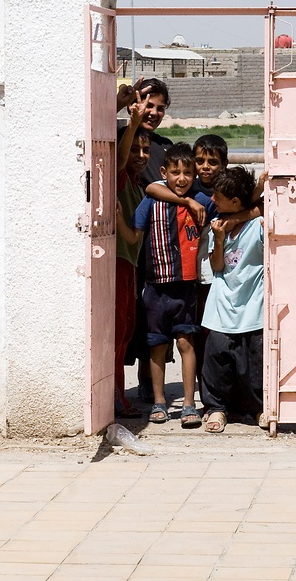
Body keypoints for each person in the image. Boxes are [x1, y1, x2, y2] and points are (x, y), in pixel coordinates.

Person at [117, 143, 212, 428]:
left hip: (186, 287)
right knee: (157, 347)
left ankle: (188, 405)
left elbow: (226, 213)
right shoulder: (152, 202)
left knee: (186, 342)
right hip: (156, 288)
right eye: (175, 172)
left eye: (187, 173)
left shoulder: (202, 201)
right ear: (164, 173)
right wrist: (119, 219)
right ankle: (159, 403)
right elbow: (134, 237)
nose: (181, 178)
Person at [116, 77, 174, 401]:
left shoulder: (162, 146)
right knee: (126, 319)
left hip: (154, 248)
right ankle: (119, 391)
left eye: (159, 108)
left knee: (151, 315)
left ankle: (149, 387)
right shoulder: (121, 139)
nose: (153, 112)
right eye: (148, 105)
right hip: (129, 246)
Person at [200, 166, 265, 434]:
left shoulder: (258, 227)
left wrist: (259, 191)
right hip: (220, 306)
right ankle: (216, 409)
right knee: (216, 359)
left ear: (236, 202)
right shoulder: (219, 225)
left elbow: (267, 207)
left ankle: (261, 408)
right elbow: (217, 267)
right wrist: (219, 237)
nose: (212, 200)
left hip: (252, 306)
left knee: (255, 363)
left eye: (218, 195)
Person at [111, 93, 150, 419]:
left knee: (125, 331)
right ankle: (115, 397)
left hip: (131, 264)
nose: (139, 155)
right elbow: (119, 161)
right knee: (117, 332)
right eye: (135, 148)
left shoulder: (138, 186)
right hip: (120, 264)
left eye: (145, 150)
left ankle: (117, 394)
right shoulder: (122, 177)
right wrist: (133, 120)